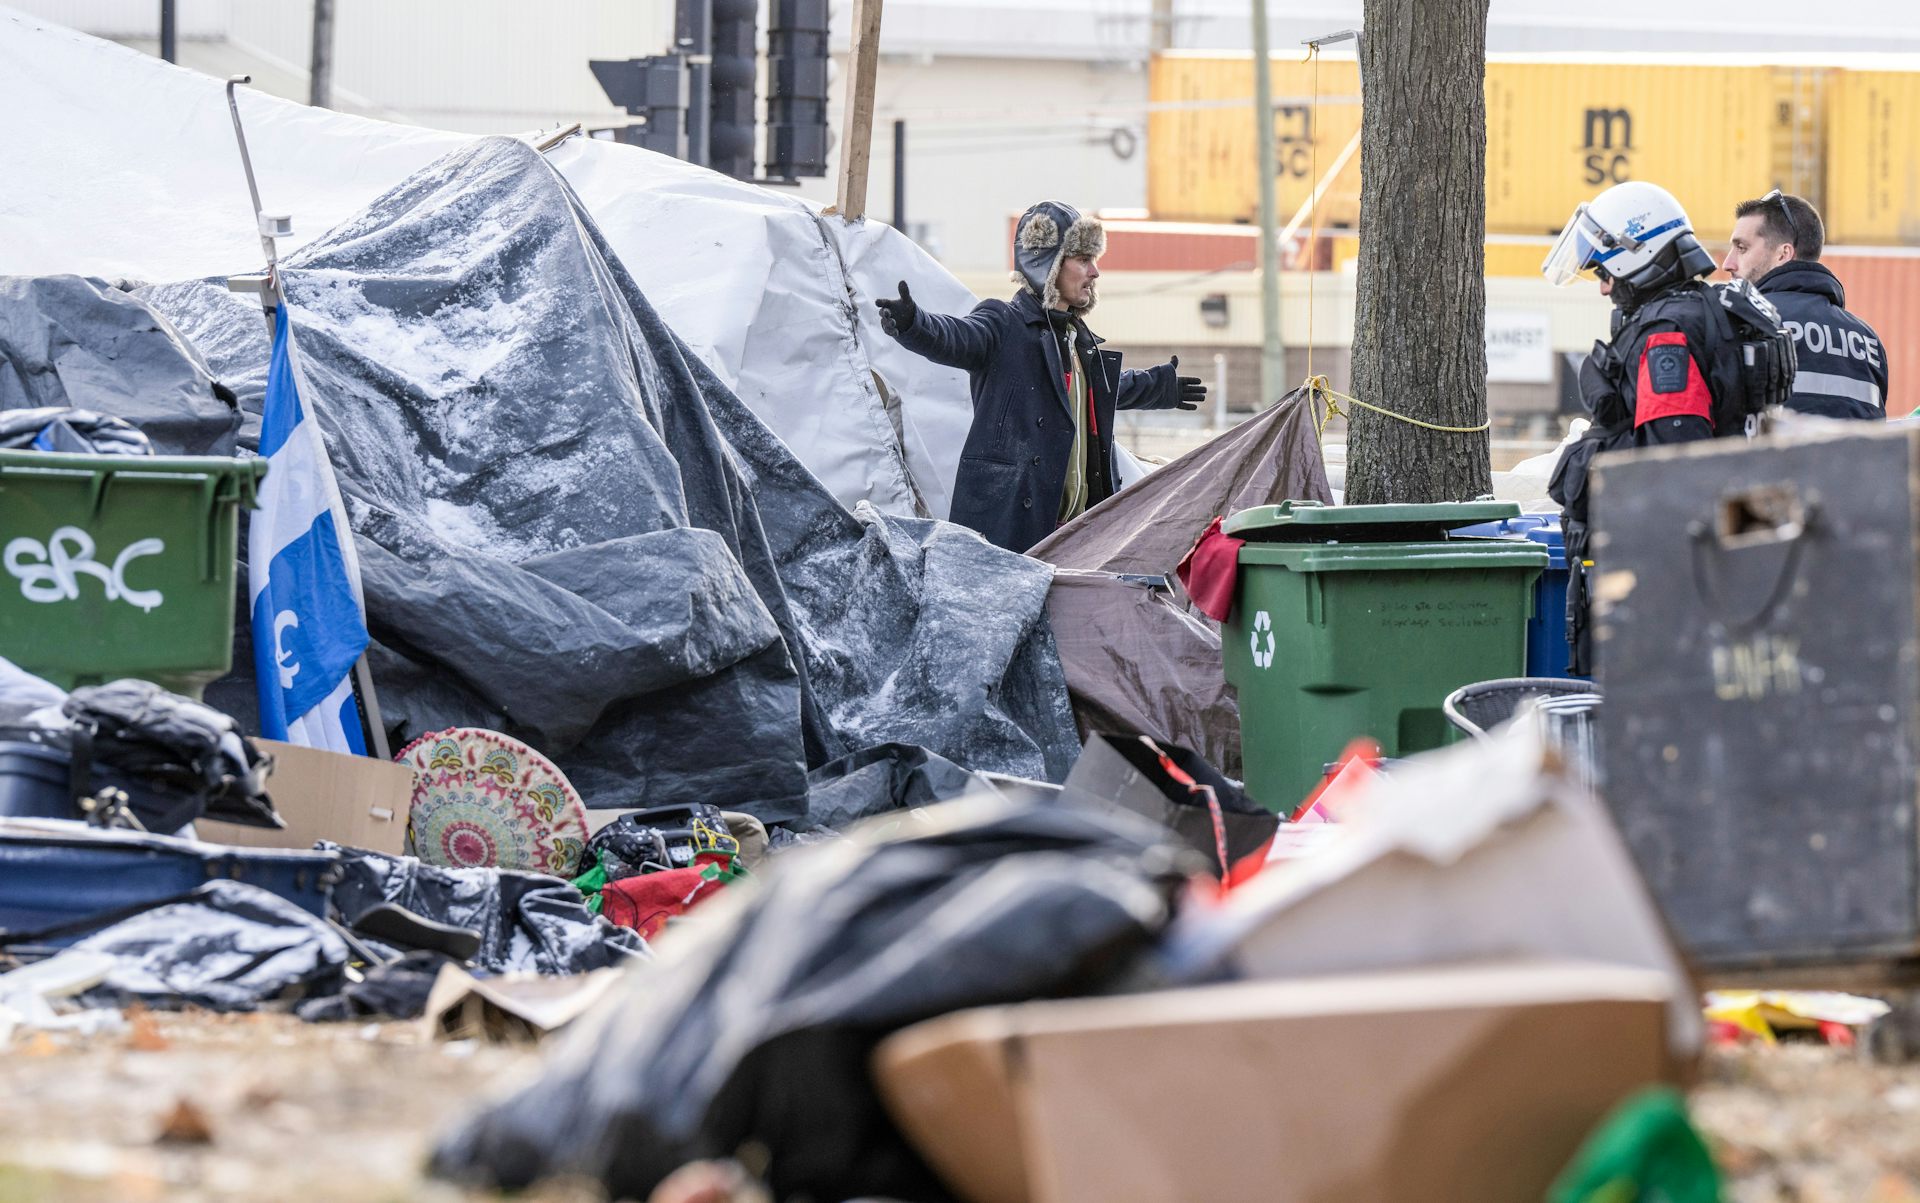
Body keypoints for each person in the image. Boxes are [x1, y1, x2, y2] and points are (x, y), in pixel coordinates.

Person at [1541, 180, 1797, 675]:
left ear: (1637, 255)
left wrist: (1588, 459)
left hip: (1666, 584)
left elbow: (1671, 466)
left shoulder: (1667, 335)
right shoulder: (1706, 313)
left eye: (1605, 272)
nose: (1603, 287)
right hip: (1712, 572)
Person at [874, 200, 1204, 553]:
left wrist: (1161, 387)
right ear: (1047, 265)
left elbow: (1105, 391)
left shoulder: (1078, 340)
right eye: (1082, 260)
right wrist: (914, 324)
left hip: (1079, 537)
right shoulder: (1003, 324)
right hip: (1012, 539)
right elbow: (956, 337)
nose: (1095, 272)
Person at [1723, 189, 1888, 421]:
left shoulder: (1741, 322)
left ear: (1783, 254)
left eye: (1742, 248)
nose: (1727, 264)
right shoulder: (1868, 339)